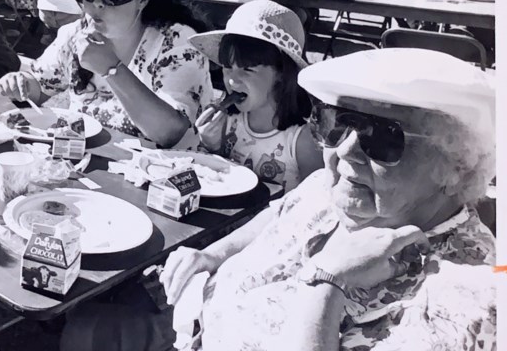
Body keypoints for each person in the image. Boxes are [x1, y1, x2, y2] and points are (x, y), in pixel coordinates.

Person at [63, 48, 496, 351]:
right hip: (193, 326)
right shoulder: (337, 188)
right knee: (84, 325)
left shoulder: (467, 299)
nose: (343, 151)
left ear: (456, 164)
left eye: (383, 137)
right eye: (336, 124)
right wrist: (210, 255)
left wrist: (329, 284)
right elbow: (276, 215)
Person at [0, 0, 214, 147]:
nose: (97, 4)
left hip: (164, 173)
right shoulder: (75, 34)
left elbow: (169, 133)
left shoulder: (176, 42)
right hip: (88, 167)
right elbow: (41, 86)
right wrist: (20, 83)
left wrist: (112, 69)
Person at [191, 0, 323, 189]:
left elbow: (316, 200)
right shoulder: (226, 124)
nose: (232, 80)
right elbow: (213, 182)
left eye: (247, 69)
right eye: (228, 67)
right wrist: (210, 145)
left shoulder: (302, 141)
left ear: (281, 73)